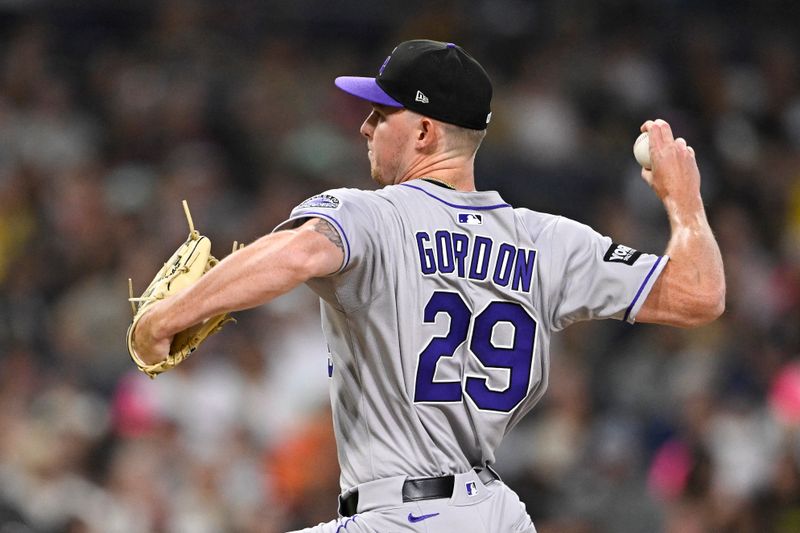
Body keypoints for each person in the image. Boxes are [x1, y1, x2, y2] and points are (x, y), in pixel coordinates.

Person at [130, 39, 725, 532]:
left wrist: (168, 318)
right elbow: (698, 295)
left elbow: (298, 251)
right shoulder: (551, 242)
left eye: (380, 113)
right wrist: (686, 202)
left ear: (423, 134)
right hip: (496, 517)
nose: (364, 126)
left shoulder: (373, 213)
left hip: (400, 515)